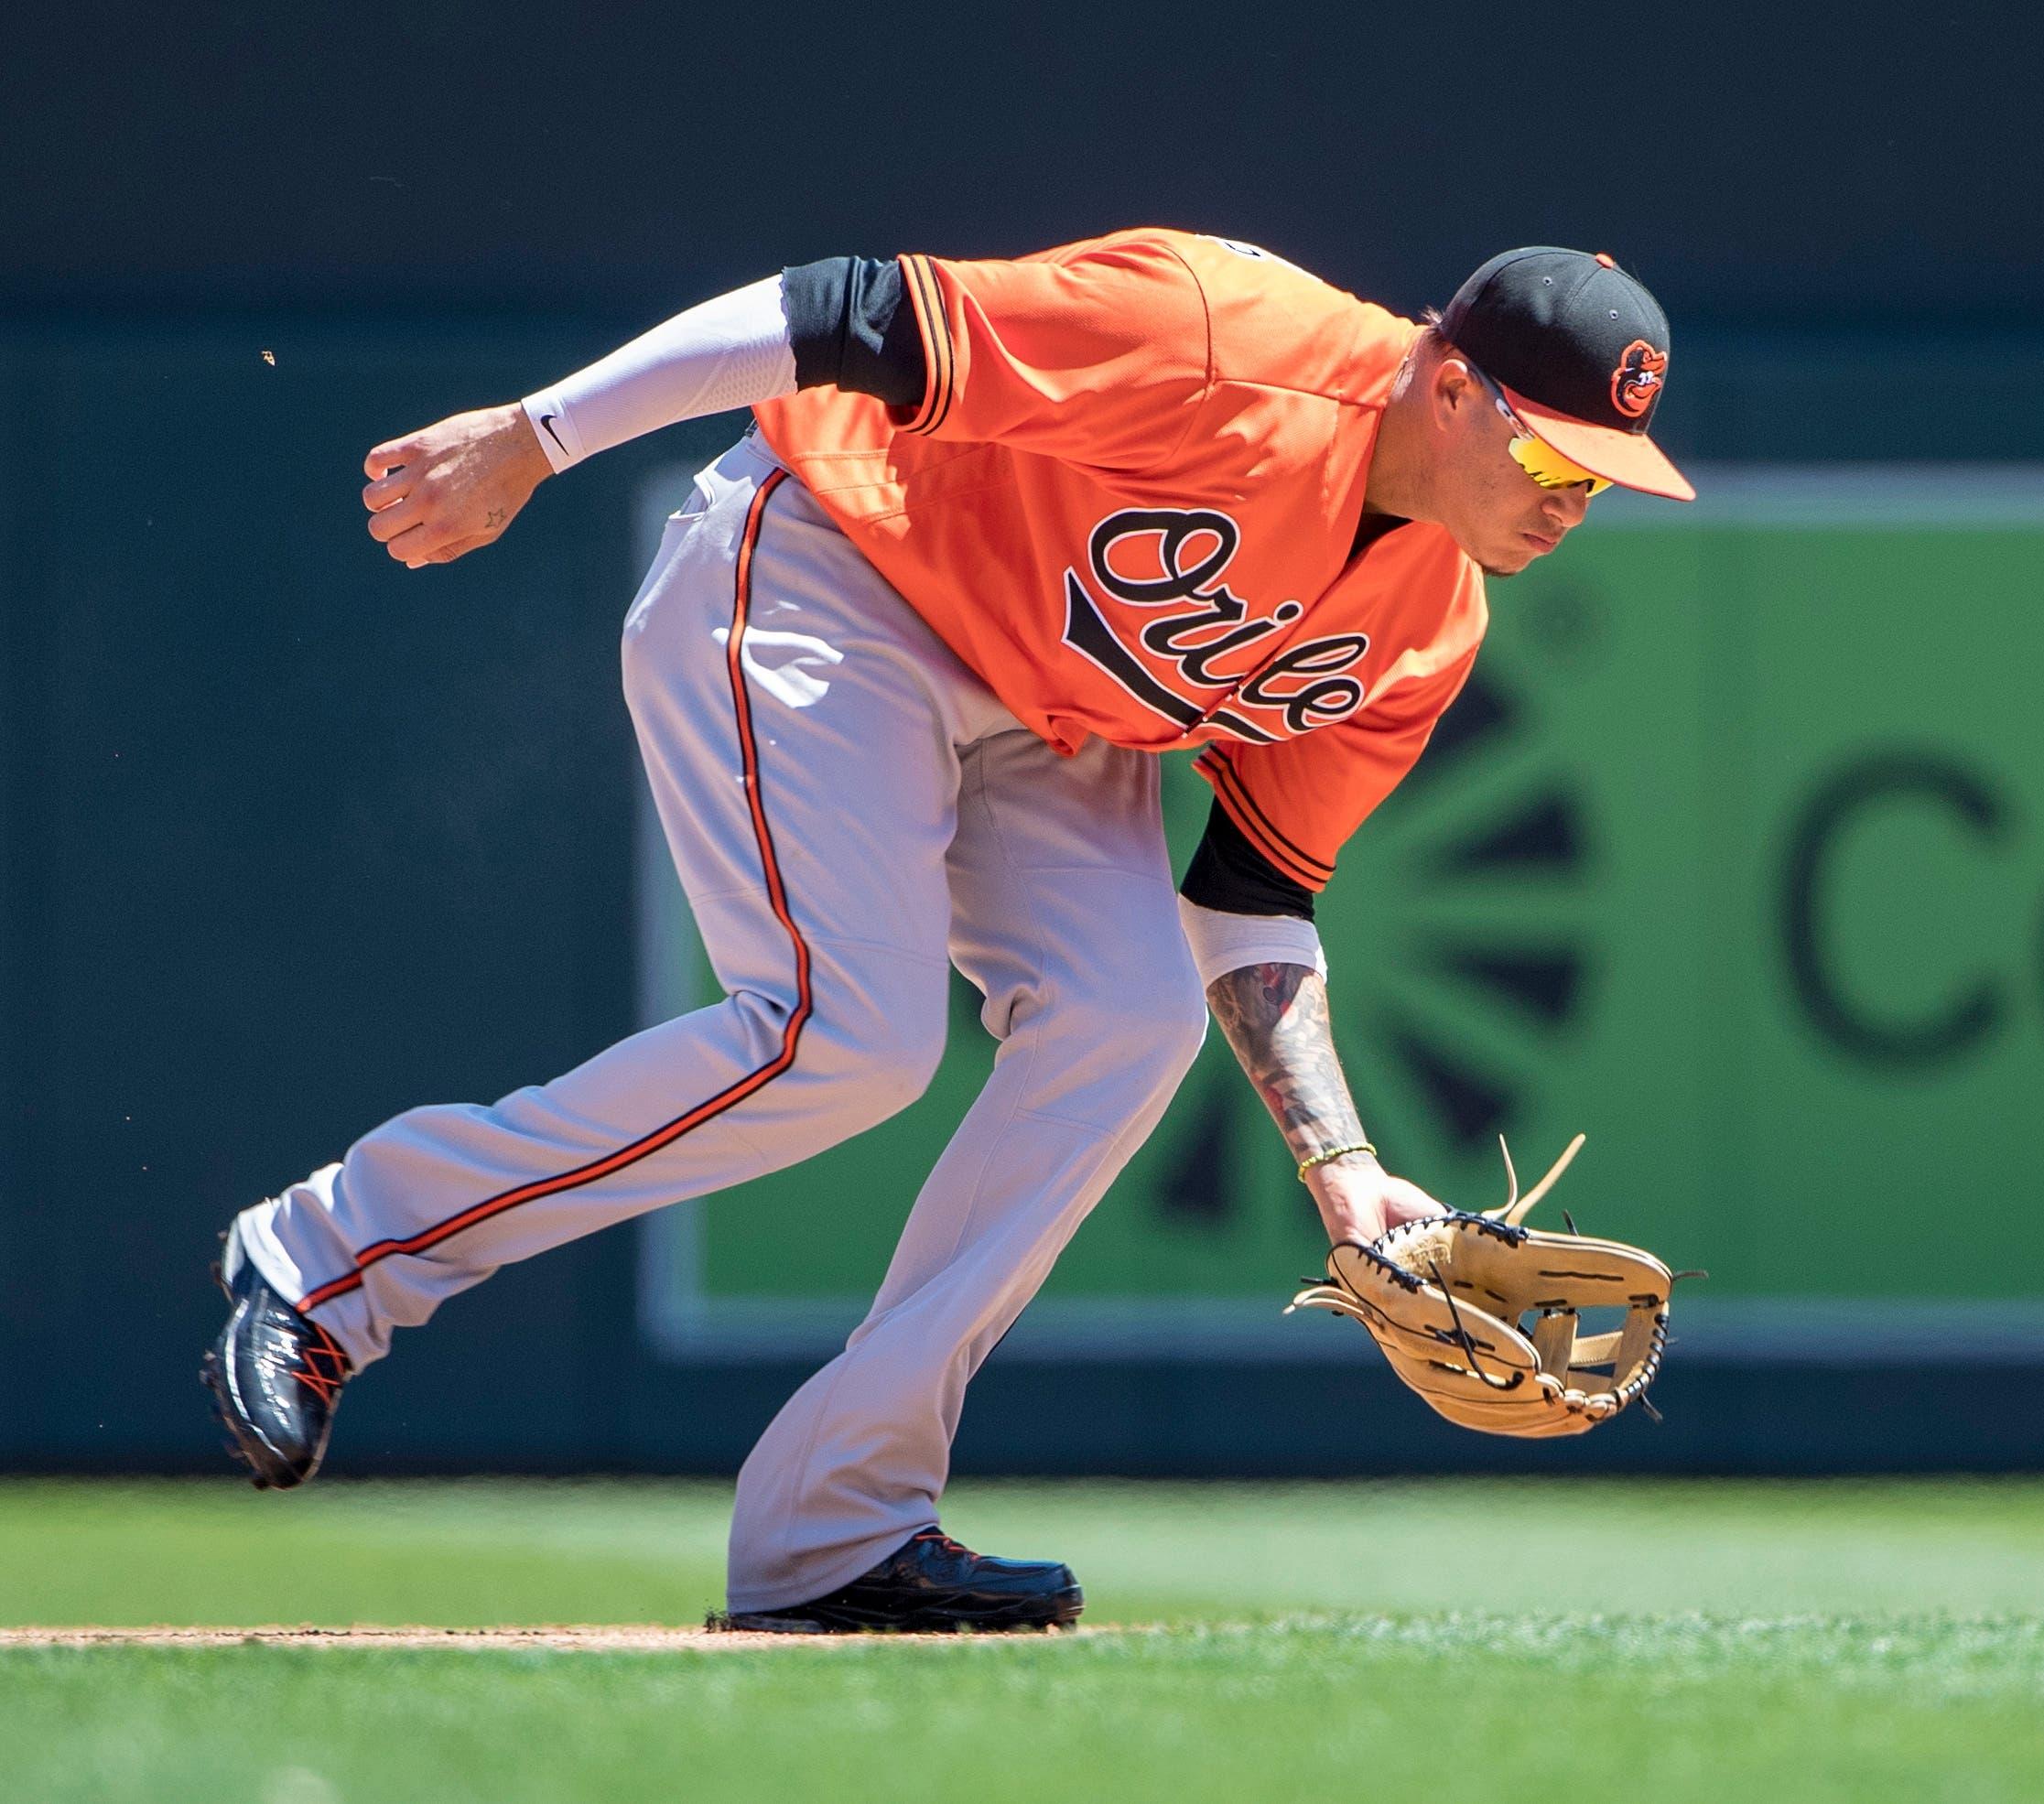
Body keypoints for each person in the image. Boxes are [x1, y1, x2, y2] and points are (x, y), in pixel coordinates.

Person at [201, 230, 1693, 1632]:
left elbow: (1249, 899)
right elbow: (840, 311)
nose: (1579, 496)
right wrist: (536, 436)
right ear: (1450, 388)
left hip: (1045, 716)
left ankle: (834, 1528)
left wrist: (1347, 1172)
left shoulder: (1428, 626)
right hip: (835, 564)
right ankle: (330, 1260)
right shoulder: (1214, 330)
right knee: (841, 1040)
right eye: (1561, 451)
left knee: (1131, 1017)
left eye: (1612, 472)